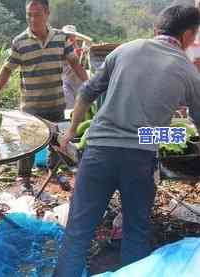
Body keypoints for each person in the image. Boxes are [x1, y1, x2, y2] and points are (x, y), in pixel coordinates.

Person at [56, 5, 200, 276]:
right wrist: (182, 133)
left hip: (99, 148)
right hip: (139, 156)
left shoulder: (124, 49)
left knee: (79, 230)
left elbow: (86, 92)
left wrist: (70, 131)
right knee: (136, 230)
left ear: (157, 30)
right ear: (189, 35)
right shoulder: (187, 69)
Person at [0, 0, 88, 193]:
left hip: (55, 102)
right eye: (29, 14)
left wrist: (89, 86)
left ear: (47, 14)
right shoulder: (20, 41)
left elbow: (75, 64)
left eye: (37, 14)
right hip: (30, 104)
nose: (32, 19)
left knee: (57, 140)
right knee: (27, 143)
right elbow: (6, 70)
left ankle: (53, 171)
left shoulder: (61, 38)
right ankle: (24, 178)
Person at [61, 25, 92, 109]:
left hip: (80, 84)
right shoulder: (60, 49)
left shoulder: (82, 49)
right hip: (67, 83)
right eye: (67, 36)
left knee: (81, 109)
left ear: (75, 37)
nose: (70, 38)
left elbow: (84, 66)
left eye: (72, 36)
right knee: (69, 109)